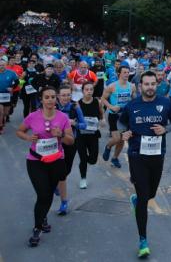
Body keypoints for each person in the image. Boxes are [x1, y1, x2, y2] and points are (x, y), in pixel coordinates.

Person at [118, 71, 171, 258]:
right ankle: (143, 239)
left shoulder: (165, 103)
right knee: (144, 198)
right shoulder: (132, 105)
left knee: (151, 194)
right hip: (137, 155)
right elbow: (121, 124)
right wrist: (125, 133)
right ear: (140, 86)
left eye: (153, 84)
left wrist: (165, 129)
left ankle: (137, 200)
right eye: (147, 84)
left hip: (157, 155)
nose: (150, 87)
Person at [16, 85, 74, 247]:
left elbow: (71, 141)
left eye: (52, 97)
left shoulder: (62, 117)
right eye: (46, 97)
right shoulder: (33, 117)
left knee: (47, 193)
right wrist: (28, 138)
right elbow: (19, 131)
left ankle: (43, 216)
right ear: (41, 100)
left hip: (56, 161)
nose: (50, 100)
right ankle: (38, 227)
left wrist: (61, 135)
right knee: (43, 194)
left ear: (56, 99)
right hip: (36, 161)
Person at [55, 84, 85, 215]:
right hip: (54, 144)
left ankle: (58, 185)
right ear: (58, 96)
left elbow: (84, 124)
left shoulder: (75, 106)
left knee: (66, 170)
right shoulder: (52, 105)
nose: (66, 97)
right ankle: (62, 198)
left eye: (68, 94)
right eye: (63, 95)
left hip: (70, 142)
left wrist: (75, 123)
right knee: (56, 170)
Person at [101, 66, 136, 169]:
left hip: (125, 116)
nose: (126, 74)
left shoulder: (131, 86)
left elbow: (134, 100)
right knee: (116, 138)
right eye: (124, 72)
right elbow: (103, 99)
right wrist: (111, 106)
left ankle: (115, 158)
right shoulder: (112, 86)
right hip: (114, 115)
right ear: (119, 74)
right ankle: (108, 146)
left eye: (128, 72)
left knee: (122, 140)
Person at [76, 81, 104, 189]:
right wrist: (76, 123)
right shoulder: (78, 103)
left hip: (93, 135)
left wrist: (103, 120)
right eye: (86, 89)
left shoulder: (97, 102)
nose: (89, 91)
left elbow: (101, 113)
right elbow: (74, 118)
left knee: (93, 160)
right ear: (82, 91)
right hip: (81, 136)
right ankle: (83, 178)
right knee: (83, 159)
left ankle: (86, 160)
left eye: (91, 89)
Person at [0, 58, 19, 133]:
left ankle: (3, 121)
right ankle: (0, 126)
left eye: (3, 65)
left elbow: (17, 82)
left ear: (6, 65)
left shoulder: (11, 73)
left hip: (7, 95)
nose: (1, 66)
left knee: (5, 113)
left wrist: (12, 88)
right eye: (0, 65)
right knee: (0, 111)